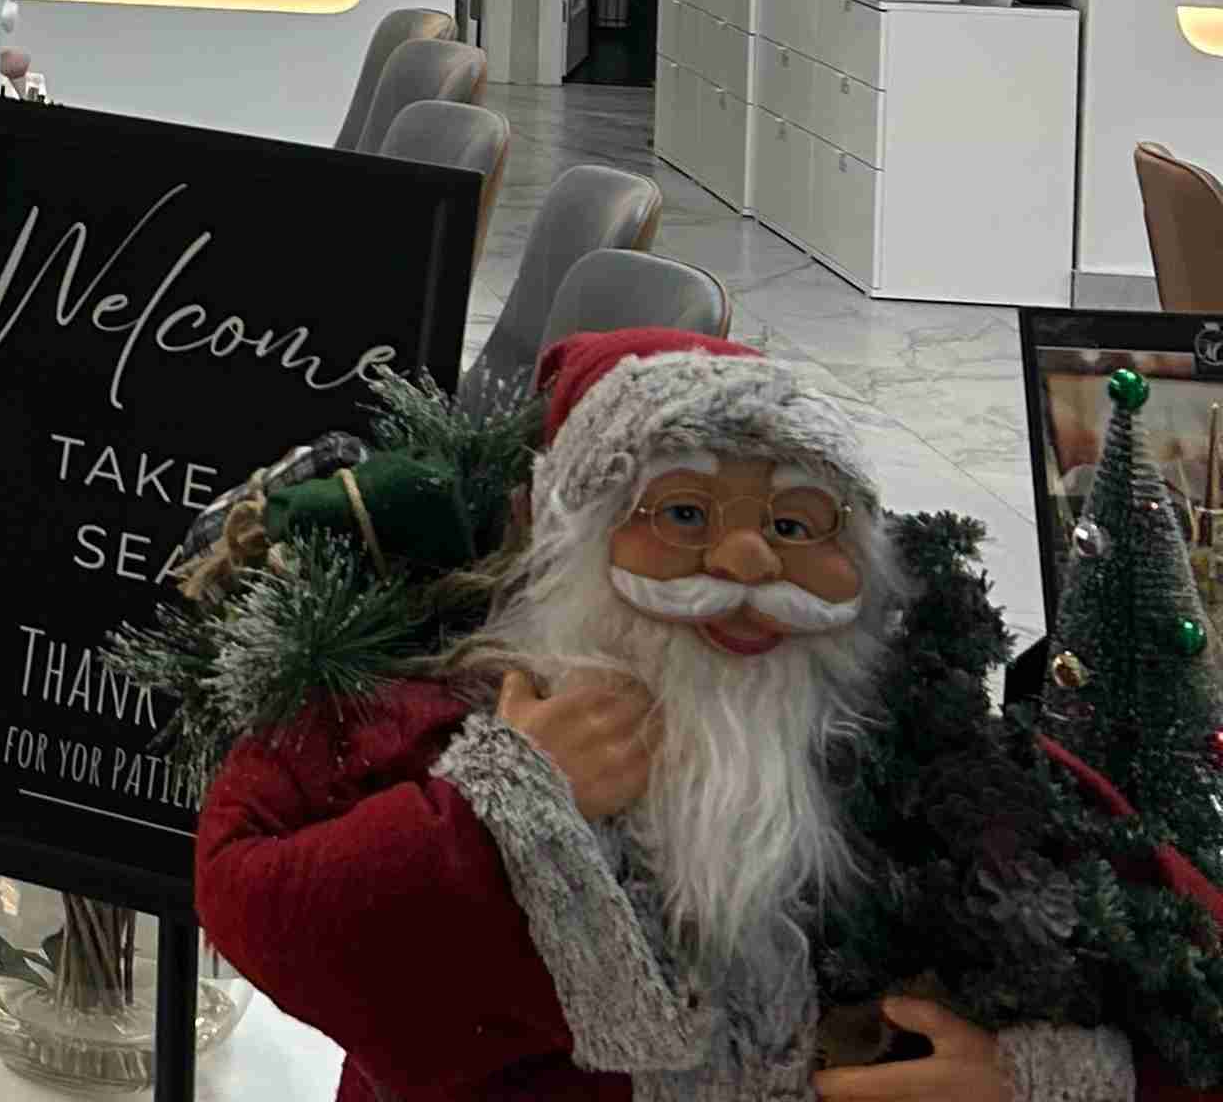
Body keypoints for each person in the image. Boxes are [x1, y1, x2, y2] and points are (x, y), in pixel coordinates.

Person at [192, 330, 1165, 1102]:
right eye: (685, 514)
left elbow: (1153, 971)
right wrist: (507, 805)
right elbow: (252, 892)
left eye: (794, 524)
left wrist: (1028, 1081)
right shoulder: (446, 708)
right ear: (572, 535)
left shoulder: (909, 748)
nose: (747, 562)